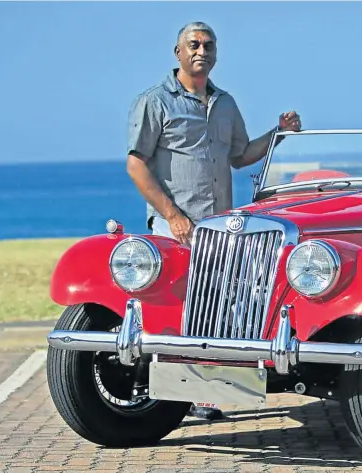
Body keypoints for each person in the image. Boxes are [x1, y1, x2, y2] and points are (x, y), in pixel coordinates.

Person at [126, 21, 301, 420]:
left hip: (221, 228)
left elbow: (240, 155)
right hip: (175, 227)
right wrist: (172, 217)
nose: (201, 50)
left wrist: (280, 133)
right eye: (193, 44)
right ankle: (160, 392)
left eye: (208, 44)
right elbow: (136, 164)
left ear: (216, 53)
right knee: (176, 308)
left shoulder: (225, 103)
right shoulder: (155, 102)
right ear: (178, 53)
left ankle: (204, 395)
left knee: (215, 307)